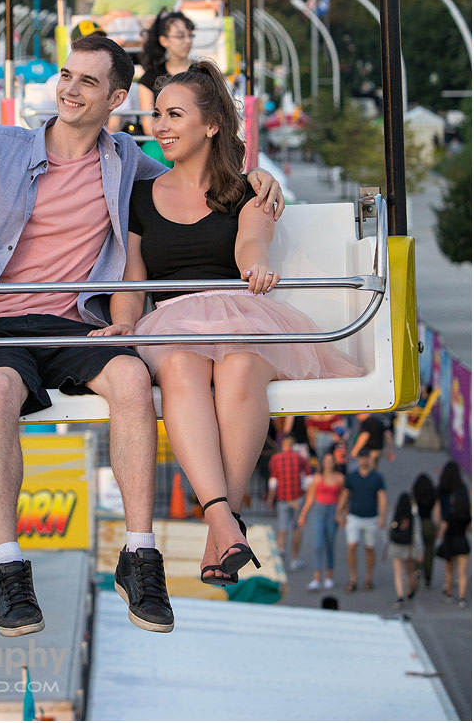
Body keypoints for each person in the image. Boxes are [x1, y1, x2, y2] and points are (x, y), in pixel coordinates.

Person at [0, 33, 284, 636]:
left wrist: (261, 178)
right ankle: (9, 565)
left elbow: (199, 173)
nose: (70, 90)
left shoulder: (126, 162)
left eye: (88, 82)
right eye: (67, 76)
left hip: (73, 323)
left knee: (128, 375)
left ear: (116, 98)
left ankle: (140, 555)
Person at [91, 61, 357, 586]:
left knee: (240, 366)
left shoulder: (246, 190)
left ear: (211, 124)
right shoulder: (142, 194)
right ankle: (225, 523)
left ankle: (220, 526)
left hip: (236, 306)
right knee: (183, 367)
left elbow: (250, 244)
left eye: (174, 115)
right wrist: (125, 322)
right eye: (157, 115)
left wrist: (256, 267)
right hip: (172, 321)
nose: (160, 126)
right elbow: (133, 274)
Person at [337, 446, 387, 592]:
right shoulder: (352, 477)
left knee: (369, 548)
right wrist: (339, 511)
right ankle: (353, 578)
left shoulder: (377, 477)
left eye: (366, 458)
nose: (364, 460)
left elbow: (382, 497)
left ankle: (368, 578)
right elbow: (345, 495)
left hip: (371, 516)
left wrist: (382, 516)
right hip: (354, 515)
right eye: (362, 458)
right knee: (352, 546)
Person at [137, 11, 196, 134]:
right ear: (164, 41)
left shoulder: (203, 72)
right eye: (180, 36)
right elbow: (148, 126)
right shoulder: (150, 78)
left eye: (190, 35)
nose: (188, 41)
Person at [298, 451, 344, 591]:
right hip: (319, 510)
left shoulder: (339, 478)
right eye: (326, 461)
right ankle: (317, 577)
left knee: (329, 544)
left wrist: (341, 513)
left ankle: (329, 576)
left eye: (331, 461)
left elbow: (343, 496)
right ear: (323, 463)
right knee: (317, 544)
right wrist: (303, 514)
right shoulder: (317, 478)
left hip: (332, 510)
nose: (329, 464)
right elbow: (310, 497)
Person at [267, 432, 311, 570]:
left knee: (282, 528)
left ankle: (281, 551)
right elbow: (308, 479)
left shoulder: (275, 459)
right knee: (297, 528)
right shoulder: (300, 458)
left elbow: (274, 481)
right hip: (297, 498)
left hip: (282, 498)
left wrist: (270, 499)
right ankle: (294, 558)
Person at [435, 460, 471, 606]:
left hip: (449, 540)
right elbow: (469, 526)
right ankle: (462, 598)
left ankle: (448, 592)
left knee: (449, 571)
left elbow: (439, 514)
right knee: (462, 572)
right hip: (462, 541)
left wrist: (440, 532)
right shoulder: (462, 489)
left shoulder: (442, 490)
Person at [388, 490, 423, 606]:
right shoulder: (413, 517)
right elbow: (416, 535)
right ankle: (410, 589)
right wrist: (419, 552)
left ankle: (400, 596)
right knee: (409, 572)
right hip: (409, 548)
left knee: (398, 573)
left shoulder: (396, 516)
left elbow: (390, 531)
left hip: (396, 546)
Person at [412, 471, 439, 588]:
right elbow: (437, 514)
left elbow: (412, 512)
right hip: (429, 523)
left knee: (417, 549)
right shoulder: (434, 495)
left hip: (418, 523)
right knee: (429, 550)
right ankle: (428, 576)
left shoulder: (414, 495)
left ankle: (417, 569)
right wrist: (437, 528)